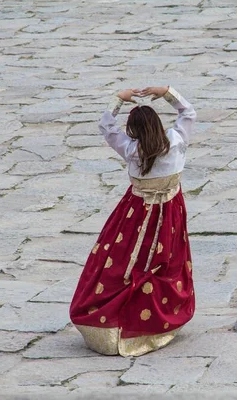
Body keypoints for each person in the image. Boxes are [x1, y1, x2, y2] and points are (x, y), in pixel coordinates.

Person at [70, 86, 196, 357]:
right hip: (170, 212)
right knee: (166, 261)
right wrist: (166, 92)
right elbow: (188, 112)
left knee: (124, 259)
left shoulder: (130, 149)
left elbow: (105, 125)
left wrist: (118, 98)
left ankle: (113, 320)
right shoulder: (176, 140)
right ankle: (154, 320)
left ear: (134, 131)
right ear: (157, 124)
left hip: (136, 212)